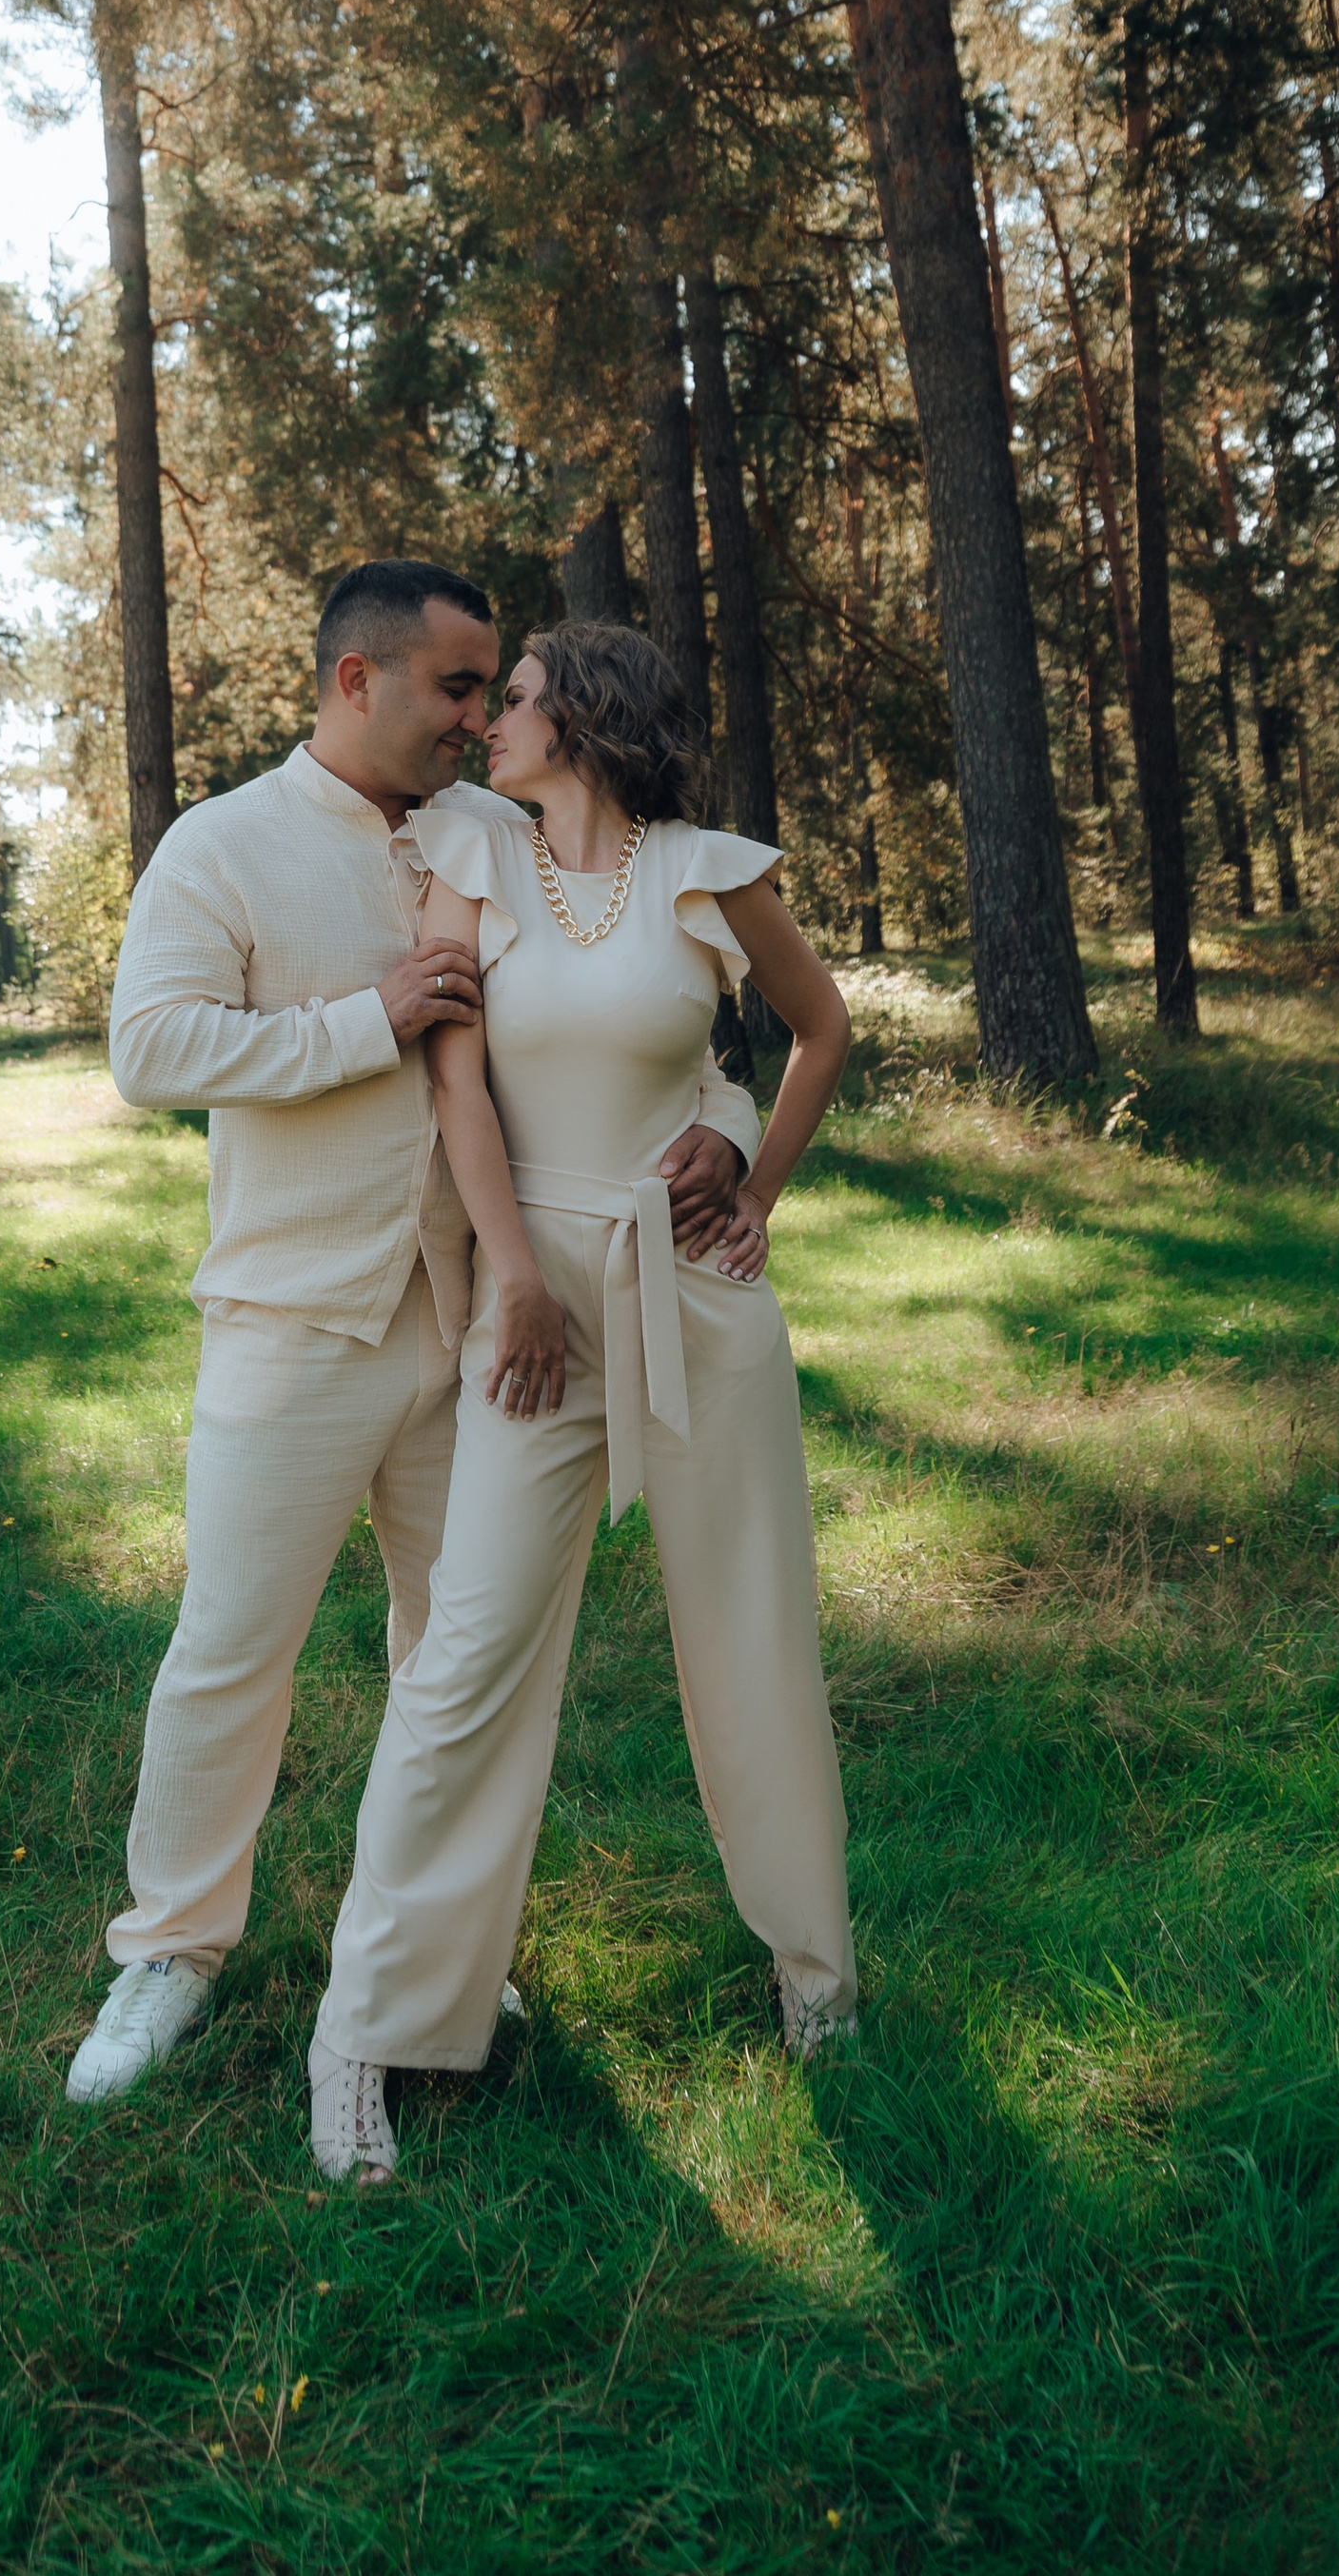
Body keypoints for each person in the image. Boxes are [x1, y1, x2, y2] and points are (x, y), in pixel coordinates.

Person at [66, 562, 767, 2108]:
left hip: (486, 1334)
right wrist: (364, 1020)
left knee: (460, 1659)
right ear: (354, 683)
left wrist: (723, 1118)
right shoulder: (225, 845)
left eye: (486, 689)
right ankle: (170, 1952)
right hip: (290, 1323)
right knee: (229, 1653)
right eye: (457, 687)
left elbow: (650, 1022)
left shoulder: (511, 842)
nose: (479, 715)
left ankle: (437, 1951)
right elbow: (152, 1047)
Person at [305, 619, 856, 2181]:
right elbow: (457, 1082)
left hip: (694, 1304)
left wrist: (752, 1171)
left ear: (591, 721)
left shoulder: (708, 869)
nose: (492, 723)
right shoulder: (475, 865)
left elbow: (819, 1030)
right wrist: (511, 1279)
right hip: (532, 1312)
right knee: (465, 1650)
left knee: (751, 1632)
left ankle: (818, 1983)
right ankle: (367, 2029)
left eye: (520, 698)